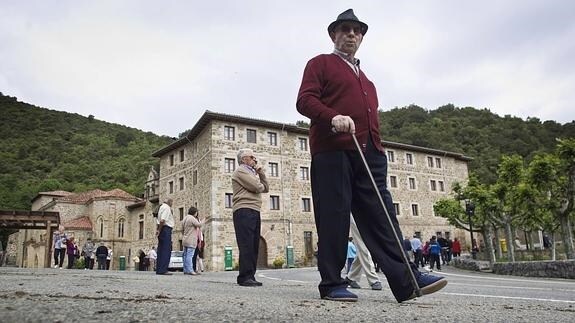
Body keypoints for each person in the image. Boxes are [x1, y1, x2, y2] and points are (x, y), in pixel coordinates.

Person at [296, 8, 447, 302]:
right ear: (334, 35)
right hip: (333, 151)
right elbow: (304, 100)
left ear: (362, 37)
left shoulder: (368, 82)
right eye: (345, 29)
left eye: (357, 30)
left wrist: (379, 149)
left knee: (382, 216)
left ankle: (407, 281)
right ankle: (331, 283)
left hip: (370, 154)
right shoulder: (320, 63)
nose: (351, 34)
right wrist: (332, 117)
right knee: (334, 215)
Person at [232, 148, 269, 287]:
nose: (255, 159)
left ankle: (250, 275)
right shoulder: (241, 171)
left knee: (253, 243)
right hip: (243, 209)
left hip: (254, 209)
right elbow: (257, 187)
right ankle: (244, 276)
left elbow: (266, 188)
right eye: (252, 157)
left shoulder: (253, 173)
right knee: (246, 243)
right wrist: (259, 182)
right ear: (244, 159)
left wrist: (262, 174)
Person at [345, 215, 383, 290]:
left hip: (369, 212)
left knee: (362, 248)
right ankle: (373, 279)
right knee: (363, 246)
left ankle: (351, 277)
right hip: (357, 211)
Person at [156, 198, 175, 275]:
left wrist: (158, 230)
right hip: (166, 229)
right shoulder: (167, 208)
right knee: (166, 249)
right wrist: (159, 230)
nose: (172, 204)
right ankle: (163, 269)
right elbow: (162, 220)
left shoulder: (161, 207)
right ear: (169, 202)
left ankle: (159, 269)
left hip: (161, 229)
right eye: (172, 202)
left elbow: (159, 220)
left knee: (160, 250)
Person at [182, 206, 202, 275]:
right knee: (190, 255)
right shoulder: (192, 218)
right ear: (195, 212)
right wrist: (204, 221)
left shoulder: (185, 218)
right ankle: (190, 270)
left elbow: (182, 229)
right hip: (191, 239)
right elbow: (199, 225)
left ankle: (185, 269)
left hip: (185, 238)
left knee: (185, 255)